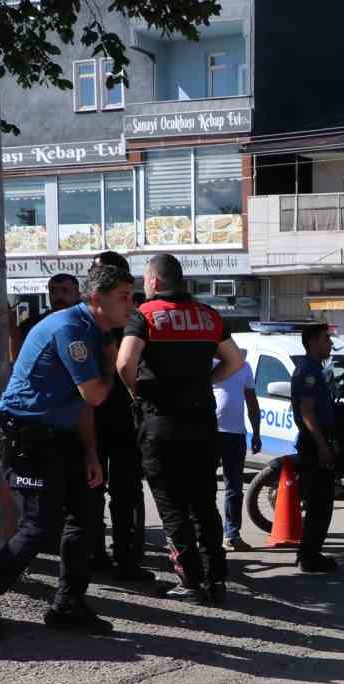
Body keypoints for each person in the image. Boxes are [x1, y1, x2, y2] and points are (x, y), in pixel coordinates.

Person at [0, 263, 133, 639]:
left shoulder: (93, 328)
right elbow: (97, 394)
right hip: (27, 436)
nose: (130, 305)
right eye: (124, 298)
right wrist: (113, 356)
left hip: (61, 435)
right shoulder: (74, 330)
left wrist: (90, 454)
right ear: (98, 299)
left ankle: (68, 604)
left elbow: (80, 404)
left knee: (84, 518)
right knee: (40, 525)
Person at [117, 253, 247, 601]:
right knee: (205, 502)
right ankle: (216, 579)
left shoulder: (144, 315)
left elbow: (125, 362)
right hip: (203, 423)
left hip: (161, 422)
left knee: (172, 504)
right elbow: (236, 361)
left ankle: (189, 580)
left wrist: (136, 393)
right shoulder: (209, 316)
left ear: (155, 282)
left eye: (145, 279)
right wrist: (206, 380)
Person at [84, 251, 151, 583]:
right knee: (92, 490)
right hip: (92, 415)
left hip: (126, 416)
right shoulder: (84, 318)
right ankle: (96, 554)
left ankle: (127, 557)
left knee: (126, 493)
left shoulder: (137, 316)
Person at [288, 323, 339, 573]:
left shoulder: (315, 369)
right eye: (326, 339)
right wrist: (322, 446)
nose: (330, 343)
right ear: (313, 342)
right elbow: (307, 412)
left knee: (320, 502)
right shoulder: (308, 371)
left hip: (316, 439)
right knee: (319, 502)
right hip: (313, 441)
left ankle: (309, 553)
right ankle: (309, 556)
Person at [213, 341, 261, 552]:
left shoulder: (245, 367)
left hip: (236, 435)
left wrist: (256, 432)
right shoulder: (208, 364)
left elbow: (251, 401)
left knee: (234, 488)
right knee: (205, 486)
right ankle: (205, 534)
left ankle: (231, 534)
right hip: (210, 433)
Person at [14, 273, 80, 349]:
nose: (58, 296)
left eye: (65, 291)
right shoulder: (33, 325)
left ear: (77, 295)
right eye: (53, 291)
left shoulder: (87, 322)